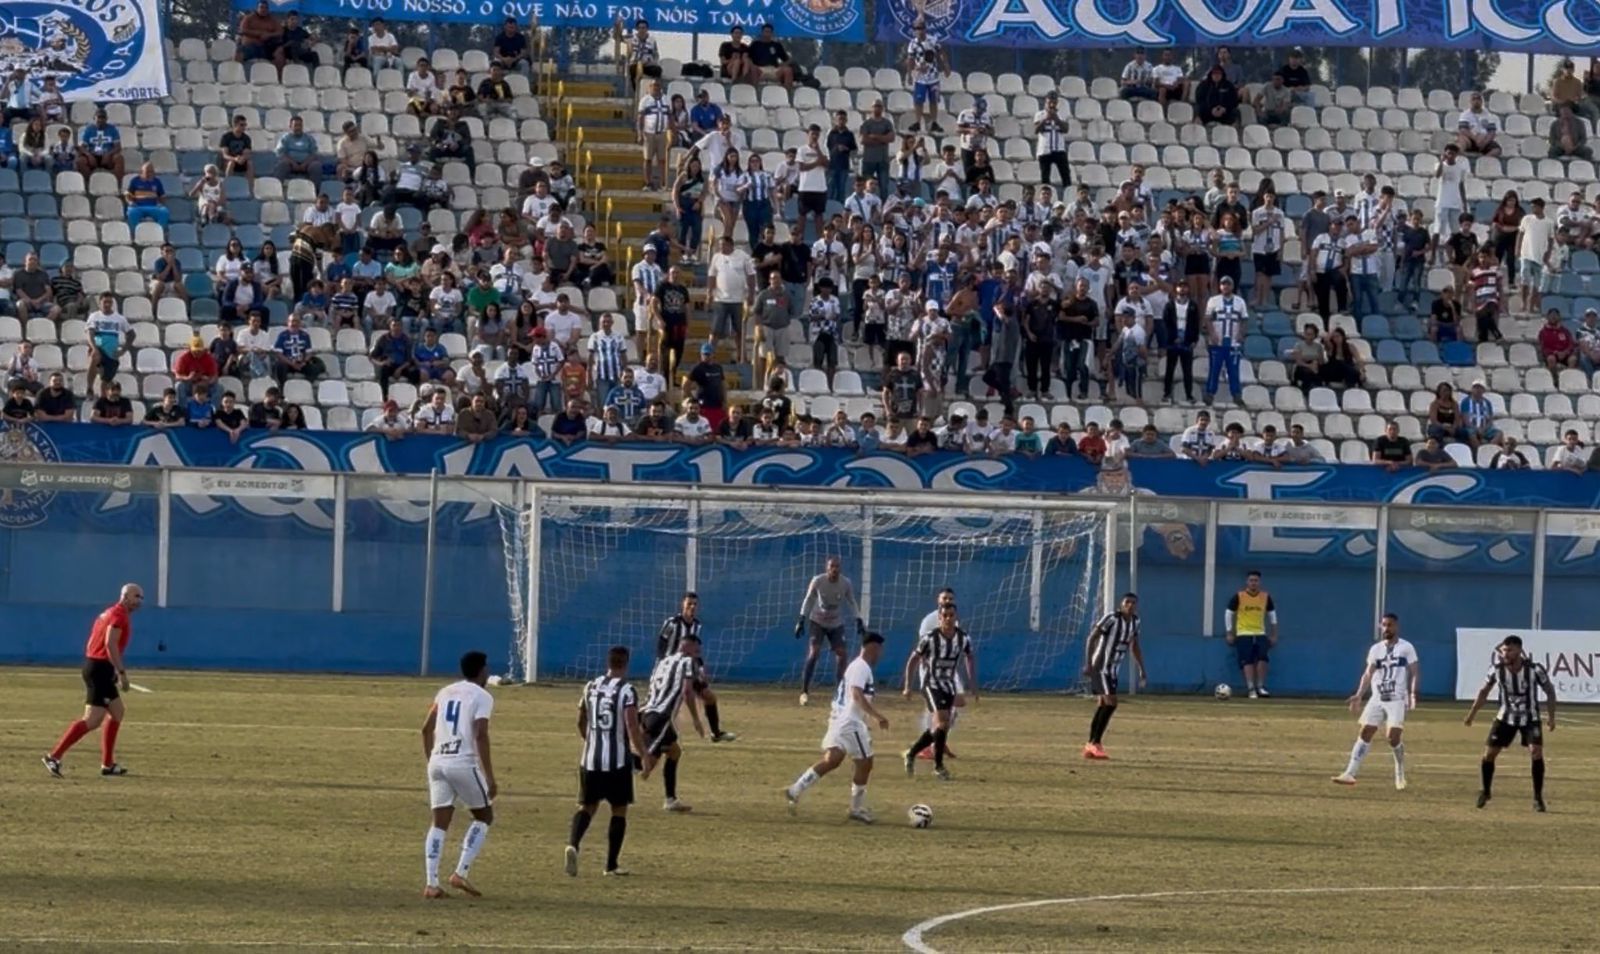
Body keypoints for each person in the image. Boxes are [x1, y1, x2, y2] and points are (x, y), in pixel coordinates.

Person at [784, 631, 891, 824]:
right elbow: (856, 694)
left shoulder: (856, 666)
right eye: (880, 650)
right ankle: (856, 808)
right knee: (865, 762)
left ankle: (795, 789)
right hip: (850, 722)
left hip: (840, 719)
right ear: (873, 648)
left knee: (832, 759)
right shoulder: (861, 667)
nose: (880, 655)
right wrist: (877, 716)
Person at [566, 645, 653, 878]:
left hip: (590, 758)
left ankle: (573, 844)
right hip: (617, 761)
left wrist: (590, 739)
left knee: (587, 806)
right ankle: (611, 865)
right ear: (625, 663)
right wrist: (644, 754)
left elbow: (580, 719)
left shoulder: (590, 686)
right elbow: (632, 725)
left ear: (608, 662)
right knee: (619, 810)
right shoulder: (627, 691)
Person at [42, 584, 144, 778]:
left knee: (117, 712)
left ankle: (107, 764)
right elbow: (110, 643)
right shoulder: (118, 615)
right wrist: (121, 672)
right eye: (136, 596)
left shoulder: (109, 613)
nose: (139, 601)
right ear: (124, 596)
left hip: (97, 666)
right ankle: (53, 756)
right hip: (99, 668)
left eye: (141, 597)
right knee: (92, 720)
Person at [419, 650, 496, 899]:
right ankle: (460, 873)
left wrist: (433, 760)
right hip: (462, 762)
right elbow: (480, 734)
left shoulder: (445, 692)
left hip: (438, 762)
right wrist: (490, 776)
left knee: (439, 823)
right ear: (481, 670)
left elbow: (425, 729)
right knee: (484, 816)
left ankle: (431, 883)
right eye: (486, 668)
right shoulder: (482, 696)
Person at [1465, 635, 1556, 812]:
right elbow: (1483, 692)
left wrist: (1551, 717)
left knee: (1536, 752)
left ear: (1519, 651)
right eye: (1504, 650)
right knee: (1489, 754)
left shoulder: (1535, 670)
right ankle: (1486, 791)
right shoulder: (1496, 670)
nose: (1505, 654)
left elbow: (1549, 691)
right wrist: (1472, 714)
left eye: (1510, 650)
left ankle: (1538, 798)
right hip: (1505, 717)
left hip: (1530, 717)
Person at [1332, 613, 1418, 790]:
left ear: (1397, 627)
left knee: (1392, 737)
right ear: (1381, 627)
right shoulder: (1376, 649)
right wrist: (1359, 694)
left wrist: (1413, 694)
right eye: (1384, 625)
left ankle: (1399, 770)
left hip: (1396, 698)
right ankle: (1350, 773)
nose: (1387, 628)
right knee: (1365, 731)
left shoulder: (1406, 647)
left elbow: (1415, 671)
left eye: (1390, 625)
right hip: (1377, 697)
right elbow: (1368, 673)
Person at [640, 632, 706, 813]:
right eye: (697, 650)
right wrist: (696, 720)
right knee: (646, 764)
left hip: (649, 712)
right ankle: (611, 766)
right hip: (661, 717)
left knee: (674, 752)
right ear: (689, 647)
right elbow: (687, 692)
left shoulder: (663, 661)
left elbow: (652, 686)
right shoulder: (687, 662)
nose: (698, 654)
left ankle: (670, 799)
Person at [656, 593, 735, 744]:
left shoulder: (696, 625)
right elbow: (661, 644)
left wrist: (701, 668)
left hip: (688, 671)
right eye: (689, 604)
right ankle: (654, 732)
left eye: (694, 604)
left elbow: (695, 650)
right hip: (670, 673)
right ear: (682, 605)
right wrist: (664, 665)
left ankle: (715, 733)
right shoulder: (672, 623)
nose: (692, 607)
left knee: (709, 697)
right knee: (664, 705)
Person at [1082, 593, 1146, 760]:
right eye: (1127, 602)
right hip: (1100, 666)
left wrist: (1141, 668)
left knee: (1103, 704)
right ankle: (1095, 743)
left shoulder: (1135, 622)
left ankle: (1091, 744)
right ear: (1121, 604)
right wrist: (1089, 663)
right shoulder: (1111, 618)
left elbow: (1135, 646)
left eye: (1133, 603)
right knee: (1111, 702)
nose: (1130, 605)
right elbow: (1091, 638)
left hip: (1114, 669)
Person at [794, 557, 865, 707]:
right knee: (814, 653)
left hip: (836, 623)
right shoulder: (818, 581)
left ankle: (840, 694)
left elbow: (851, 601)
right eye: (832, 566)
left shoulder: (845, 583)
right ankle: (804, 692)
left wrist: (858, 619)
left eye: (837, 566)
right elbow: (808, 600)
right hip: (817, 621)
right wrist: (801, 620)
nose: (835, 569)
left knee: (842, 655)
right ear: (827, 568)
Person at [1225, 571, 1278, 699]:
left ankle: (1260, 686)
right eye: (1251, 580)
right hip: (1244, 633)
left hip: (1260, 632)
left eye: (1256, 580)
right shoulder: (1239, 596)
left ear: (1259, 582)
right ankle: (1251, 688)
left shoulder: (1265, 597)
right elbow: (1229, 613)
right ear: (1247, 582)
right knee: (1247, 660)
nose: (1253, 583)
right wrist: (1229, 632)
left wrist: (1274, 634)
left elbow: (1272, 616)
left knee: (1263, 658)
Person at [1203, 275, 1246, 404]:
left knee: (1233, 369)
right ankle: (1210, 393)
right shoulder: (1213, 301)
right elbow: (1208, 319)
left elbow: (1244, 319)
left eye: (1228, 284)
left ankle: (1236, 395)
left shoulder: (1240, 302)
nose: (1225, 287)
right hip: (1217, 342)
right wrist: (1212, 334)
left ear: (1232, 286)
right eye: (1223, 284)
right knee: (1214, 369)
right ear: (1220, 286)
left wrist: (1241, 334)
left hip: (1233, 342)